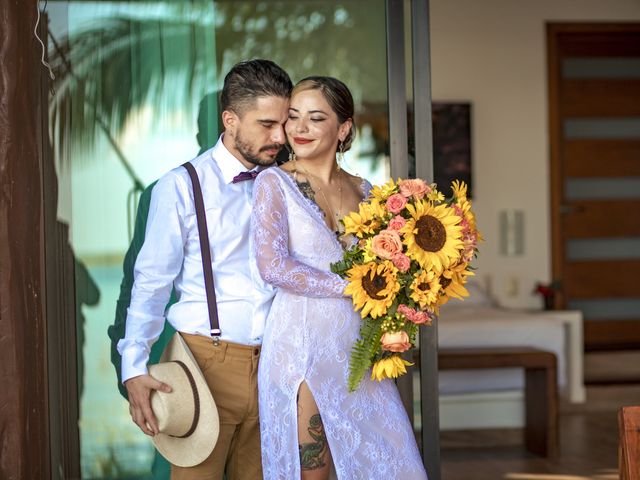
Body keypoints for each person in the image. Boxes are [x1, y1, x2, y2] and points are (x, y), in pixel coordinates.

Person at [117, 59, 292, 479]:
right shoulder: (179, 187)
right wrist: (134, 367)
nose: (280, 136)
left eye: (284, 123)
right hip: (206, 366)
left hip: (278, 367)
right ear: (230, 120)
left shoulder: (287, 181)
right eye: (267, 124)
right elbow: (152, 283)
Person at [252, 76, 428, 479]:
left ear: (343, 128)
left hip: (356, 351)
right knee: (312, 472)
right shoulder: (274, 183)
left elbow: (390, 269)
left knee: (389, 463)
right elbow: (272, 266)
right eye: (293, 117)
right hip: (299, 345)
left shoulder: (366, 191)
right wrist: (355, 286)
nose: (299, 129)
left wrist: (401, 305)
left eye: (315, 118)